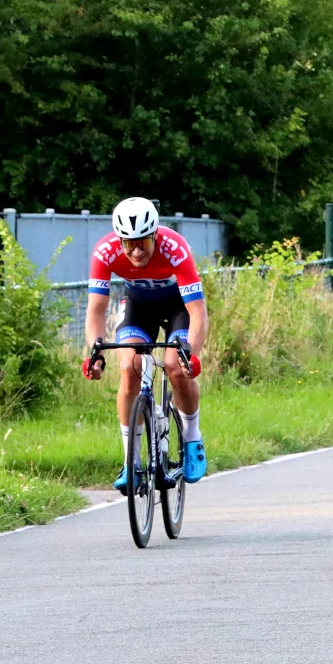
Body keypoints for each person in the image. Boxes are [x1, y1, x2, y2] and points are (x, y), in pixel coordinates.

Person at [82, 198, 210, 488]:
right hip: (139, 307)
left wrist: (192, 353)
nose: (137, 251)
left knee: (175, 368)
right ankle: (131, 462)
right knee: (130, 368)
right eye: (129, 244)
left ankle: (192, 439)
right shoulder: (105, 252)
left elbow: (197, 311)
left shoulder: (174, 248)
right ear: (120, 241)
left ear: (155, 235)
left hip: (179, 307)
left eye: (143, 242)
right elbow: (96, 311)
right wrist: (96, 352)